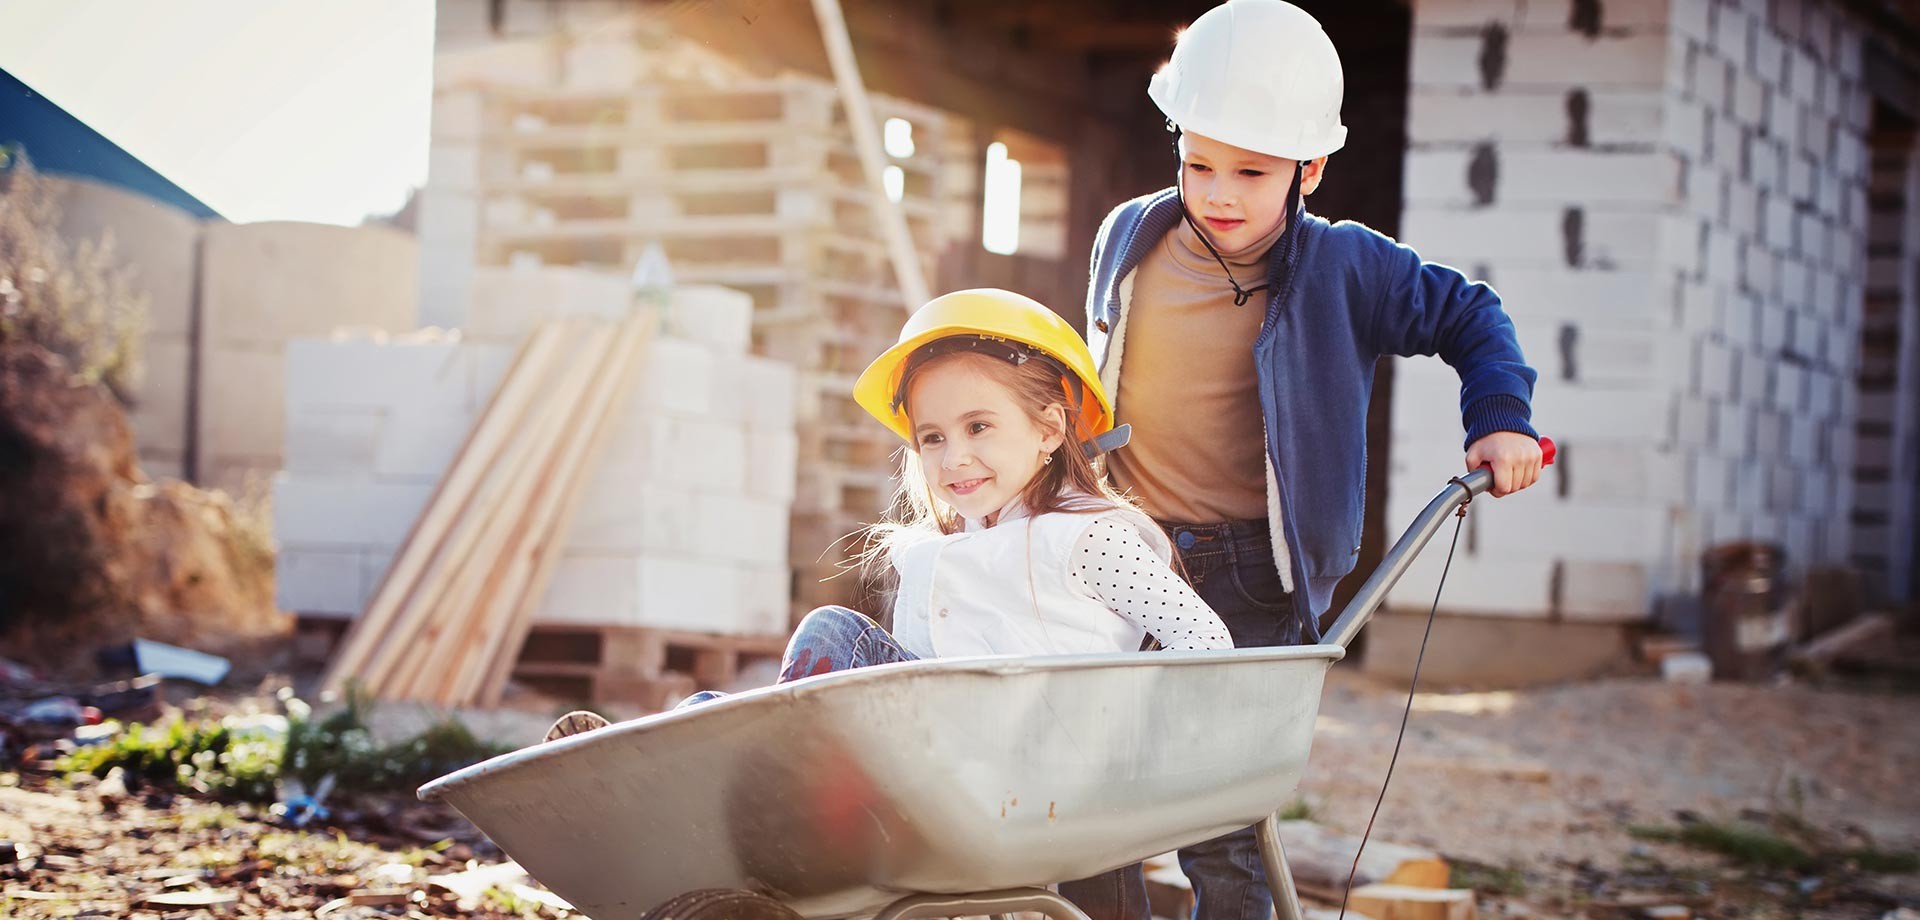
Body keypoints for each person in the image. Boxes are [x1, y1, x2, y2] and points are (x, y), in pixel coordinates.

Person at [1063, 2, 1547, 918]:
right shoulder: (1126, 240)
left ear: (1310, 168)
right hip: (1120, 555)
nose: (1220, 193)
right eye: (1199, 162)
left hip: (1252, 573)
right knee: (1091, 799)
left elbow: (1471, 315)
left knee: (1218, 819)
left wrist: (1500, 417)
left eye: (1252, 171)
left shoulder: (1344, 267)